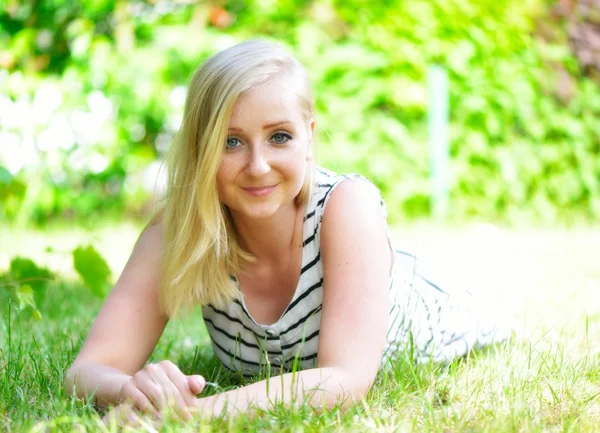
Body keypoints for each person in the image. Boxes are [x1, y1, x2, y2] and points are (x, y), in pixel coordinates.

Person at [64, 39, 507, 424]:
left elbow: (346, 379)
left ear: (309, 138)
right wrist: (136, 392)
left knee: (485, 298)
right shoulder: (180, 230)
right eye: (231, 142)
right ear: (201, 150)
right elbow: (86, 370)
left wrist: (194, 414)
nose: (258, 166)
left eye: (279, 137)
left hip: (439, 307)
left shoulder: (348, 205)